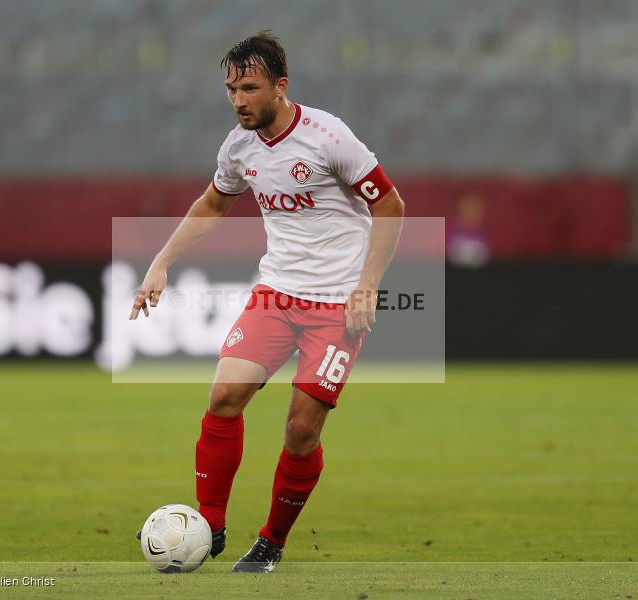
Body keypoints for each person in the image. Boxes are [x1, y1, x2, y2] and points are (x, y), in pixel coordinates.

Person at [130, 30, 404, 573]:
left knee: (301, 429)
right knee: (224, 397)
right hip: (275, 294)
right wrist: (161, 262)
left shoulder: (329, 137)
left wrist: (367, 285)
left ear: (281, 87)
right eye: (231, 88)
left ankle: (272, 541)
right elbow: (213, 202)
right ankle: (210, 524)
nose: (238, 100)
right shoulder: (238, 146)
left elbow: (391, 205)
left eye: (249, 88)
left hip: (336, 306)